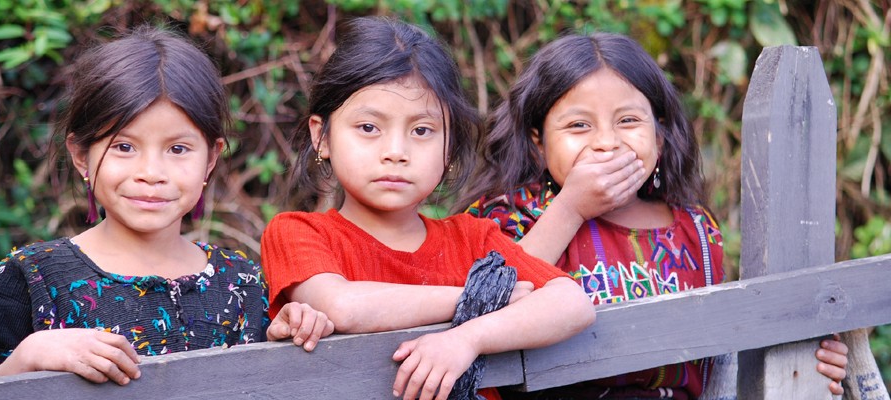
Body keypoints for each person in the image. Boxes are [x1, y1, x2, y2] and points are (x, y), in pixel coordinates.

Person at [463, 32, 848, 399]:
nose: (607, 143)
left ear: (660, 137)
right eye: (579, 125)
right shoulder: (510, 216)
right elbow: (485, 304)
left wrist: (805, 358)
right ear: (538, 146)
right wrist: (571, 209)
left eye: (628, 121)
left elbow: (726, 349)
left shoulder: (695, 230)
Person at [260, 17, 596, 400]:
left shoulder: (472, 238)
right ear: (322, 136)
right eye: (369, 127)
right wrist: (483, 297)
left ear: (450, 148)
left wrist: (469, 337)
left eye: (421, 130)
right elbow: (343, 306)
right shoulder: (299, 233)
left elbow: (573, 304)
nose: (396, 153)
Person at [0, 27, 333, 385]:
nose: (151, 173)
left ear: (210, 160)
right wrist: (30, 356)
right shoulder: (29, 278)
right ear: (81, 156)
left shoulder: (241, 282)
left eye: (178, 149)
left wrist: (290, 336)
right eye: (124, 147)